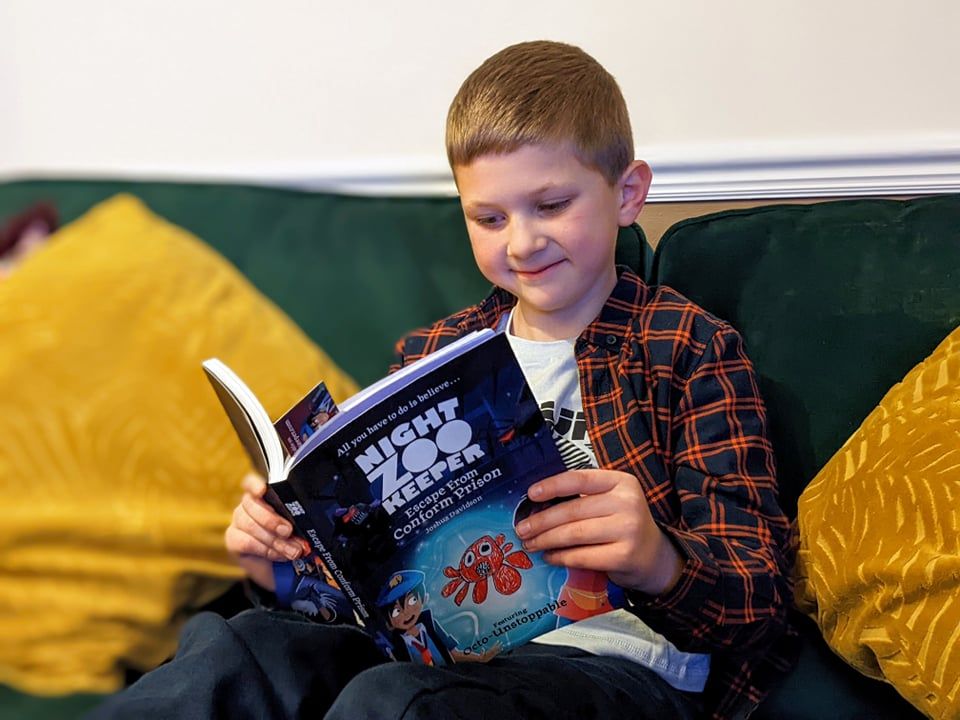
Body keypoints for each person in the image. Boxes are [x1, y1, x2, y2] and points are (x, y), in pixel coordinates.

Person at [89, 40, 797, 720]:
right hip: (435, 657)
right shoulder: (434, 354)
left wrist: (656, 560)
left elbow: (760, 604)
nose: (520, 241)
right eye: (489, 218)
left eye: (551, 206)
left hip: (613, 669)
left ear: (627, 193)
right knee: (239, 648)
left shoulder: (686, 349)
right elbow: (371, 590)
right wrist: (282, 565)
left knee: (399, 703)